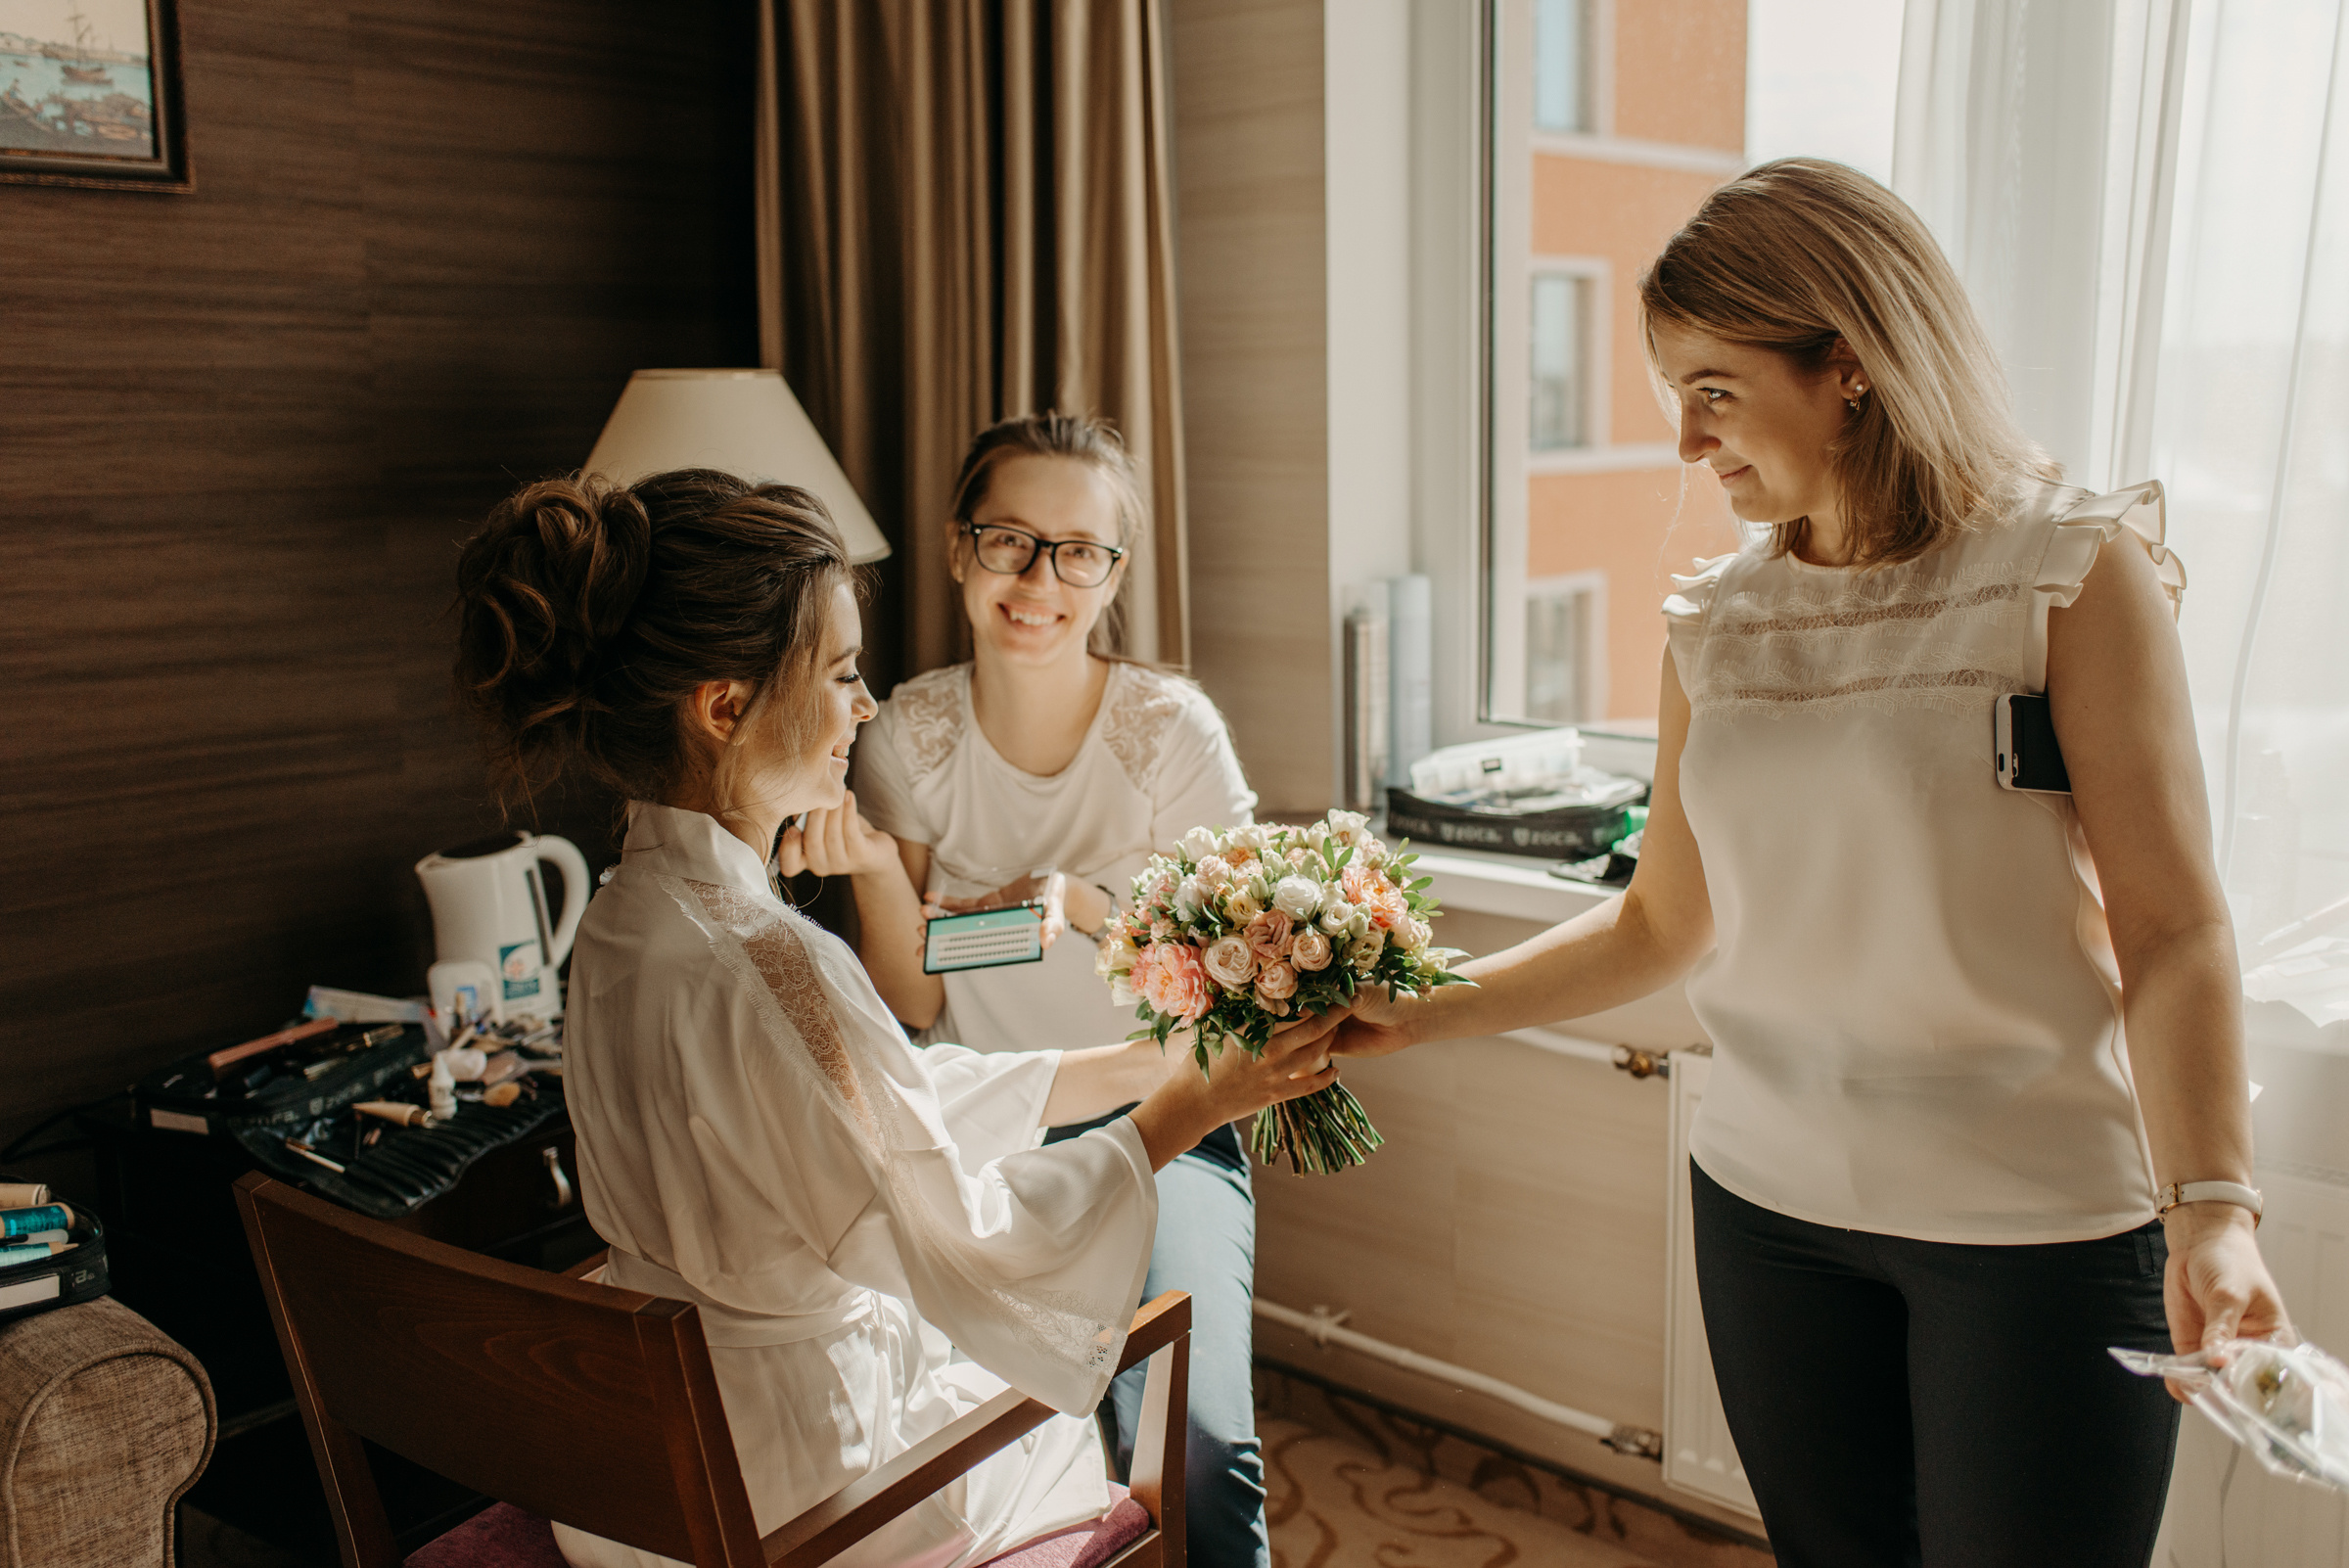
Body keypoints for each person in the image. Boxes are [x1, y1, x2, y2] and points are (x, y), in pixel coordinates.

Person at [1334, 160, 2291, 1568]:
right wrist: (1409, 1009)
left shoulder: (2065, 574)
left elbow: (2174, 930)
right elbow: (1660, 922)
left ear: (1847, 364)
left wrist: (2214, 1209)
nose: (1684, 444)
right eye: (1673, 395)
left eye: (1712, 389)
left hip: (2029, 1230)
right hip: (1768, 1213)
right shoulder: (1716, 624)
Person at [449, 468, 1343, 1568]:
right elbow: (975, 1244)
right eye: (838, 673)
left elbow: (883, 1103)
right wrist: (1192, 1104)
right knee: (1070, 1428)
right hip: (800, 1502)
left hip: (638, 1478)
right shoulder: (775, 965)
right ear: (726, 708)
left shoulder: (621, 919)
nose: (862, 708)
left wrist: (1142, 1064)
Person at [777, 413, 1275, 1568]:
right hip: (980, 1134)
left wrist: (1090, 908)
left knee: (1193, 1436)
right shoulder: (905, 735)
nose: (1040, 579)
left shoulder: (1171, 732)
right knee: (990, 1446)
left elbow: (1245, 979)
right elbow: (907, 991)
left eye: (1078, 550)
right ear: (959, 551)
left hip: (1168, 1125)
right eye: (1010, 540)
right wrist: (866, 868)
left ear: (1113, 574)